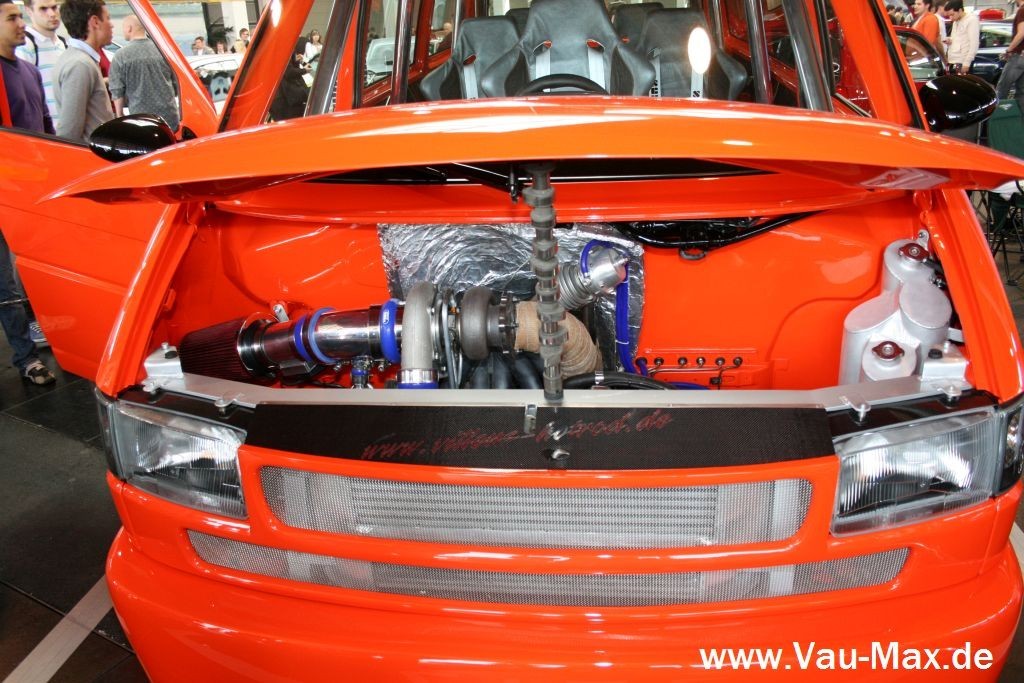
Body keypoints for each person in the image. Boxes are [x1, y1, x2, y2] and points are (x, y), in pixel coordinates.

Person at [0, 0, 57, 385]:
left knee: (41, 274)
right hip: (5, 191)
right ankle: (26, 357)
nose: (21, 23)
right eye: (12, 18)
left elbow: (45, 129)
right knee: (5, 283)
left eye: (21, 16)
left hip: (32, 191)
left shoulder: (30, 71)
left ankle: (51, 338)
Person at [108, 15, 178, 130]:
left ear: (129, 28)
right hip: (169, 117)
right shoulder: (163, 50)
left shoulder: (120, 56)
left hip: (141, 119)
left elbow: (117, 90)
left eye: (123, 27)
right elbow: (176, 83)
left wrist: (120, 114)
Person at [14, 0, 65, 127]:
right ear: (29, 11)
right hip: (46, 130)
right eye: (43, 9)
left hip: (66, 127)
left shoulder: (62, 43)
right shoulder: (25, 45)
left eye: (54, 7)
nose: (52, 14)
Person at [997, 0, 1024, 111]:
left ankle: (994, 117)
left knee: (1002, 88)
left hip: (1018, 56)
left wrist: (1009, 50)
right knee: (1022, 92)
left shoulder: (1022, 10)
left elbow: (1021, 33)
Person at [942, 0, 979, 74]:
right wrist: (950, 40)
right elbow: (956, 38)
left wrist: (967, 63)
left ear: (960, 10)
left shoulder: (972, 20)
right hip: (952, 60)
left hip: (962, 62)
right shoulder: (956, 21)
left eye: (952, 14)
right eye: (949, 15)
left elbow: (974, 43)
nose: (951, 18)